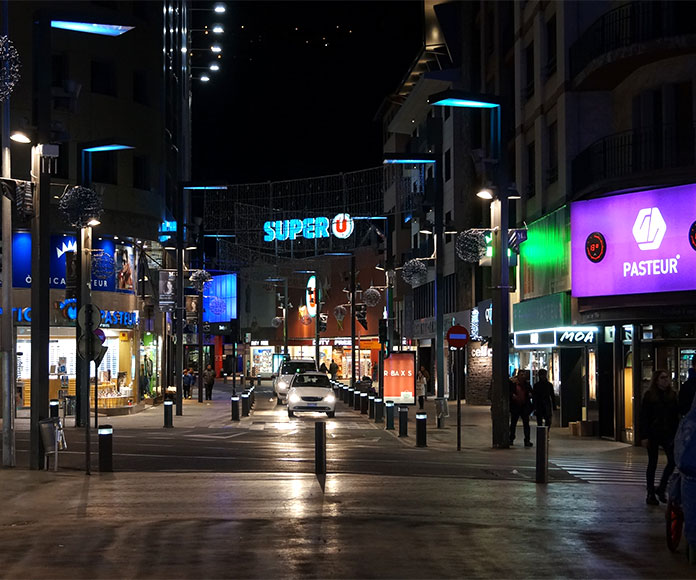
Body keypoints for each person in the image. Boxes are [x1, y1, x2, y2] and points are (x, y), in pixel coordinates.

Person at [640, 370, 680, 505]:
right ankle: (651, 493)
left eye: (667, 377)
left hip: (668, 433)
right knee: (653, 462)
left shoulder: (672, 395)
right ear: (656, 380)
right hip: (653, 433)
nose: (666, 380)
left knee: (673, 460)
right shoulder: (650, 396)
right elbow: (644, 417)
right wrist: (644, 436)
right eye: (663, 378)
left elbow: (675, 417)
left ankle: (662, 487)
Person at [509, 369, 533, 447]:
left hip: (524, 406)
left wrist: (530, 394)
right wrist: (512, 395)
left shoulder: (527, 384)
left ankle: (527, 440)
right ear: (518, 375)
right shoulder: (513, 384)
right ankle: (511, 438)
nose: (523, 376)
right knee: (513, 423)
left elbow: (531, 392)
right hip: (515, 406)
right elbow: (509, 392)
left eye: (524, 375)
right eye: (521, 375)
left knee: (526, 424)